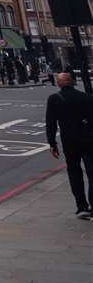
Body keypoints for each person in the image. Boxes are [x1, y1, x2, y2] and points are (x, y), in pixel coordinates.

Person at [45, 71, 93, 219]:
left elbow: (51, 123)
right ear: (73, 82)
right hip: (88, 140)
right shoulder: (87, 97)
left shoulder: (54, 99)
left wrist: (52, 143)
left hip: (69, 141)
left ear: (58, 84)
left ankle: (81, 206)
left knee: (74, 172)